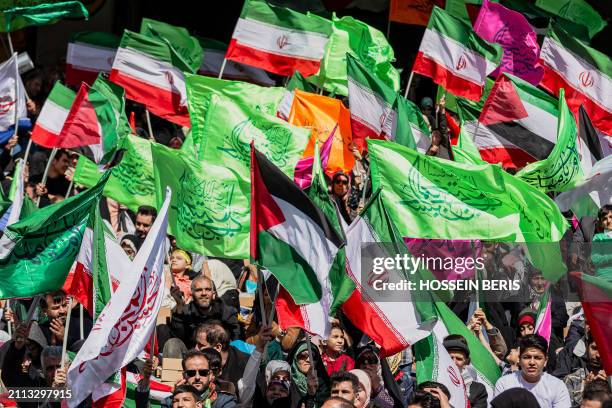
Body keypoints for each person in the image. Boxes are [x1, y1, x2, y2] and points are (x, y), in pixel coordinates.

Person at [136, 350, 237, 408]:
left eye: (203, 372)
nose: (197, 377)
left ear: (211, 375)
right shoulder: (172, 402)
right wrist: (146, 379)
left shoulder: (224, 402)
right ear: (184, 375)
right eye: (191, 373)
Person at [494, 334, 571, 407]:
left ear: (545, 361)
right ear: (519, 360)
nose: (532, 362)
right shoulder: (504, 384)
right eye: (527, 357)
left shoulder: (557, 387)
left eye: (537, 358)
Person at [167, 276, 241, 349]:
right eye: (199, 290)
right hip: (193, 355)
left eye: (208, 289)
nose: (204, 293)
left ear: (213, 292)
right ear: (192, 293)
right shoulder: (185, 312)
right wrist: (179, 307)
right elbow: (177, 339)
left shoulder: (226, 312)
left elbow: (236, 339)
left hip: (219, 354)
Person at [193, 321, 249, 395]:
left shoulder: (244, 364)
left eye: (201, 345)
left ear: (217, 347)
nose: (195, 348)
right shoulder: (195, 360)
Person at [442, 335, 488, 408]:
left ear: (465, 362)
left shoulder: (478, 389)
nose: (454, 362)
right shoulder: (432, 382)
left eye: (459, 359)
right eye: (450, 357)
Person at [564, 334, 607, 407]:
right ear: (587, 347)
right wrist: (585, 391)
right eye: (594, 348)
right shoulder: (572, 380)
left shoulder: (610, 380)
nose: (598, 355)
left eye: (602, 350)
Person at [287, 339, 330, 408]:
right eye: (303, 356)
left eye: (313, 357)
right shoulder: (286, 380)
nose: (308, 360)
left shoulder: (324, 385)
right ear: (295, 358)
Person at [591, 205, 612, 280]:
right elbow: (595, 259)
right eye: (605, 219)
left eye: (611, 217)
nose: (609, 221)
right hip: (604, 278)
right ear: (600, 222)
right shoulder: (598, 238)